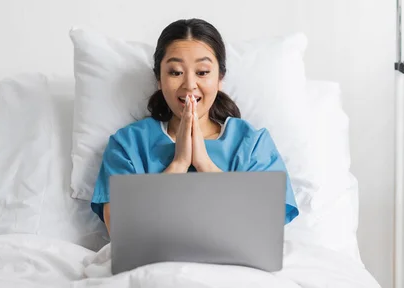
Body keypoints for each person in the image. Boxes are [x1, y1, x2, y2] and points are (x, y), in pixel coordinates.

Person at [91, 18, 299, 232]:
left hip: (233, 265)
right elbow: (118, 227)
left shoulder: (252, 144)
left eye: (202, 72)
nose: (190, 85)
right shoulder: (128, 144)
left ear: (220, 78)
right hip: (155, 265)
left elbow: (267, 224)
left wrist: (205, 165)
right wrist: (178, 164)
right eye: (175, 72)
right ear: (159, 80)